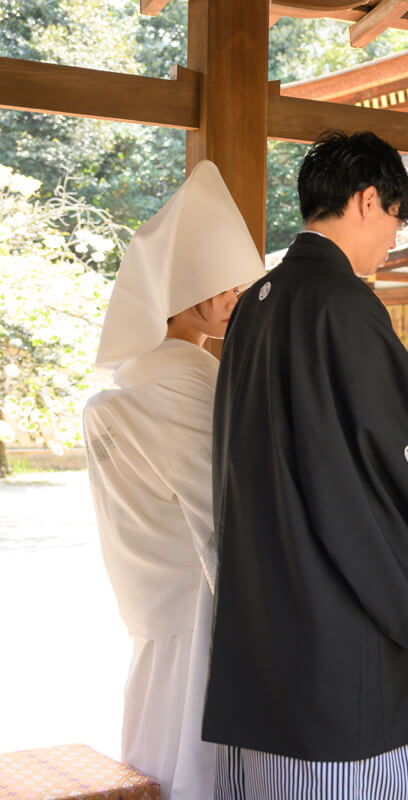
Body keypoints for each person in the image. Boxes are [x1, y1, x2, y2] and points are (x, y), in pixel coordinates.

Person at [201, 130, 408, 800]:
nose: (394, 238)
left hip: (265, 591)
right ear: (368, 200)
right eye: (396, 218)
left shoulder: (255, 303)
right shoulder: (342, 303)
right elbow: (394, 440)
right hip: (336, 612)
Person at [83, 160, 266, 800]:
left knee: (157, 751)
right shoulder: (191, 381)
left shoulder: (135, 379)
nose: (237, 301)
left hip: (157, 606)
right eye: (230, 289)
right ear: (194, 293)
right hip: (204, 603)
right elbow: (229, 507)